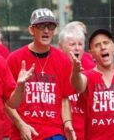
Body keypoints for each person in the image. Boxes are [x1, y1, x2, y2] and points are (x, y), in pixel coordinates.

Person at [6, 8, 75, 140]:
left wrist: (68, 124)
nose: (46, 30)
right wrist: (21, 125)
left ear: (55, 30)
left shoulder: (63, 60)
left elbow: (65, 98)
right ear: (32, 30)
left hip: (54, 132)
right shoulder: (14, 59)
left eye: (50, 26)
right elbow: (6, 100)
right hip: (24, 132)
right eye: (41, 26)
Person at [58, 24, 95, 140]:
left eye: (80, 44)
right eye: (72, 44)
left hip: (87, 132)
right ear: (61, 47)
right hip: (62, 131)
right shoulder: (55, 67)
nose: (77, 48)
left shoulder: (92, 68)